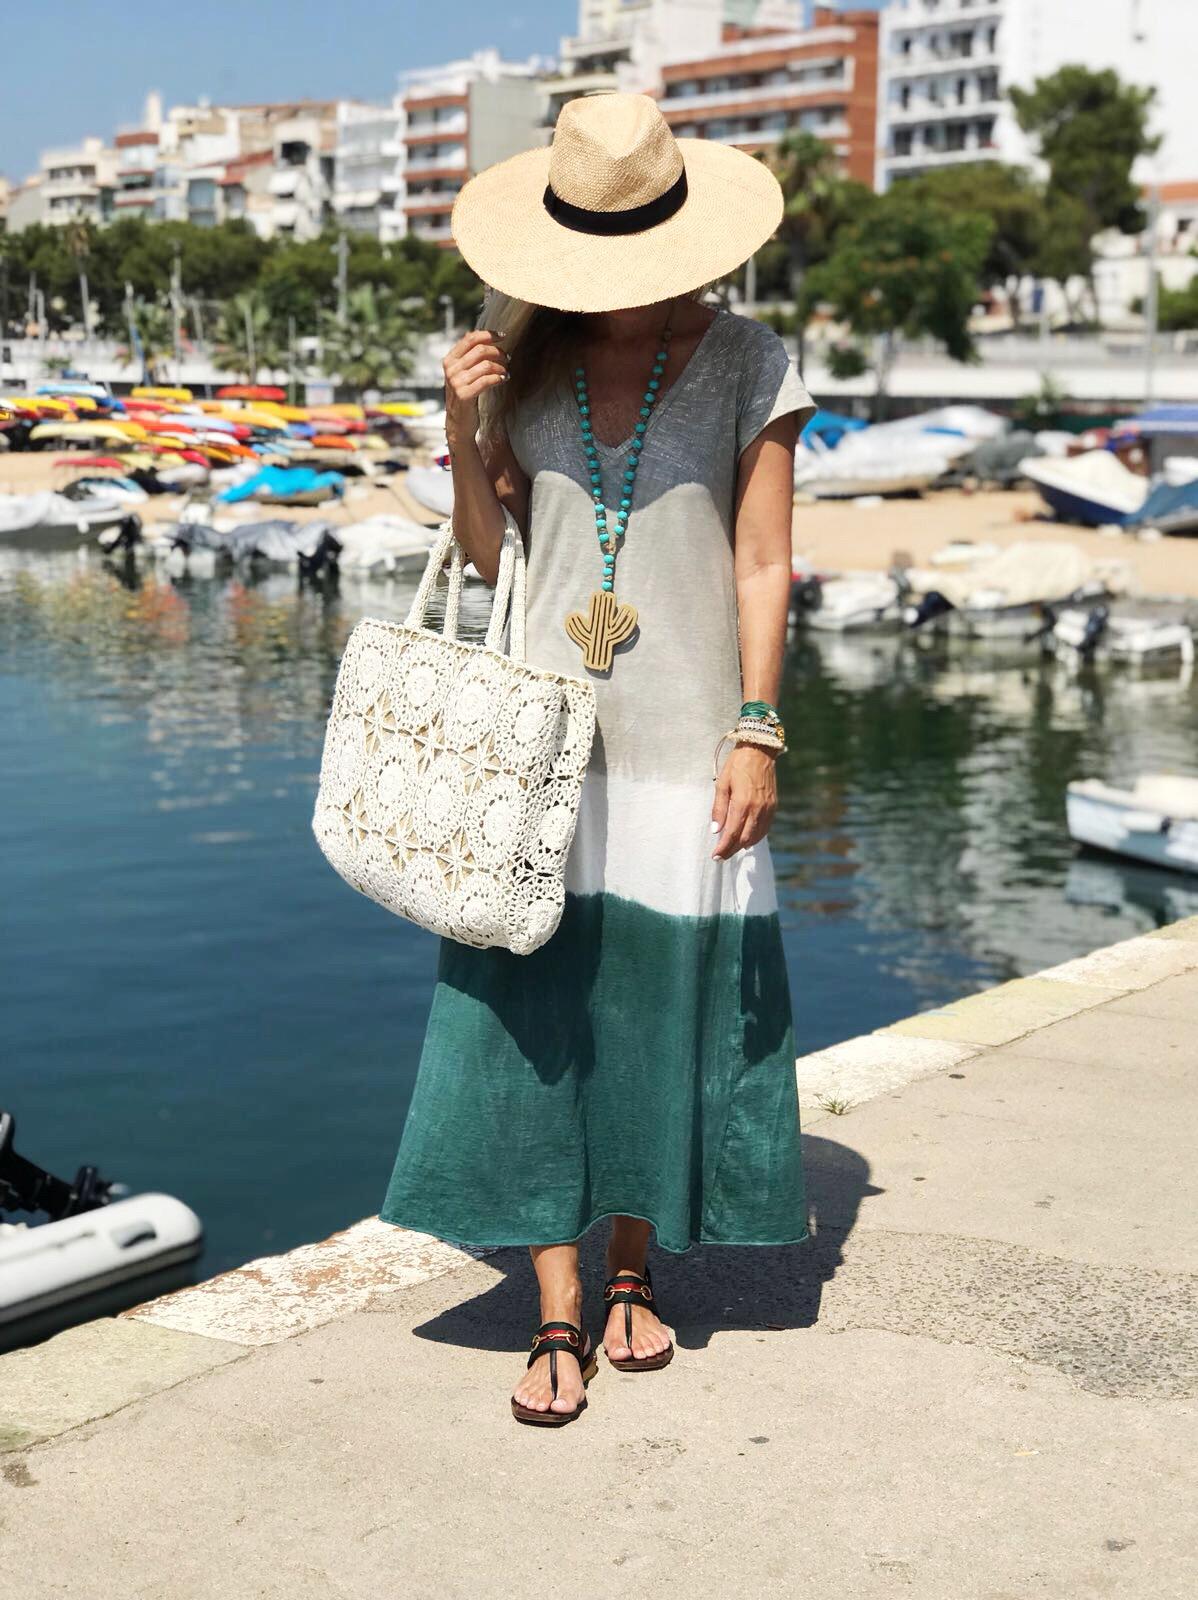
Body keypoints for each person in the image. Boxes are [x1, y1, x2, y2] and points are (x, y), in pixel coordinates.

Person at [380, 91, 815, 1426]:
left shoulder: (751, 363)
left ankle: (633, 1273)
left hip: (688, 742)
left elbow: (762, 561)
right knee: (530, 1017)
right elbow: (491, 558)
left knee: (650, 1012)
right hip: (540, 743)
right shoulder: (526, 364)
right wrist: (463, 429)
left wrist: (757, 727)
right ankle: (555, 1306)